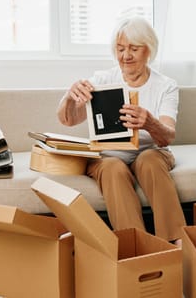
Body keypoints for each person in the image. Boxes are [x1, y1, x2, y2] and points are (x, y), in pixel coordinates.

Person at [57, 17, 186, 245]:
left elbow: (168, 136)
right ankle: (136, 245)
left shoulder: (166, 85)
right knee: (113, 168)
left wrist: (150, 122)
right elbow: (67, 120)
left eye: (134, 49)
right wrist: (70, 95)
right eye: (120, 49)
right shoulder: (103, 79)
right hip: (109, 156)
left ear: (149, 51)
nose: (125, 56)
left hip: (151, 151)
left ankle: (176, 241)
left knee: (150, 161)